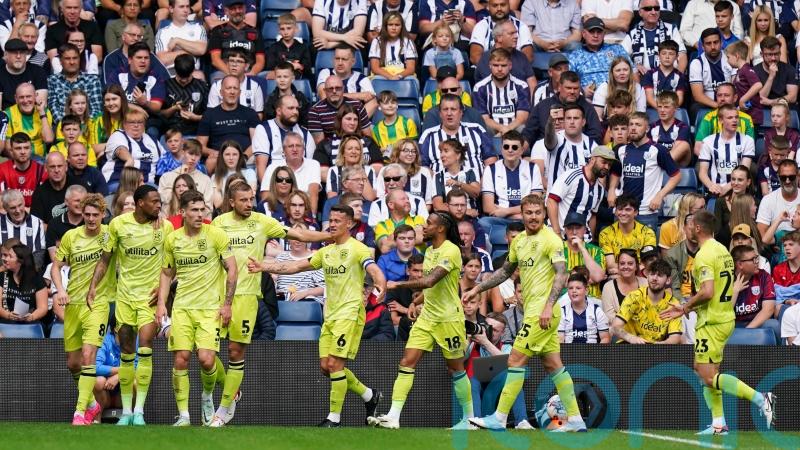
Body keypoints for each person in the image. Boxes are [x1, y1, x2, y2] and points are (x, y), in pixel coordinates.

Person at [250, 204, 386, 427]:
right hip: (330, 314)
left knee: (335, 364)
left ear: (349, 224)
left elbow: (373, 269)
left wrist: (380, 284)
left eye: (337, 221)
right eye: (330, 220)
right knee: (326, 366)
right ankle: (369, 395)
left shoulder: (358, 249)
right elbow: (296, 267)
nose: (331, 224)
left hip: (349, 313)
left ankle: (334, 418)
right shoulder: (325, 252)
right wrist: (263, 266)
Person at [461, 194, 587, 432]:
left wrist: (549, 305)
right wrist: (477, 287)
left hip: (542, 313)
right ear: (522, 213)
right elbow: (504, 272)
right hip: (535, 312)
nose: (533, 217)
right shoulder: (519, 242)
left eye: (538, 212)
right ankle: (576, 420)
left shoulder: (551, 239)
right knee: (554, 366)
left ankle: (499, 418)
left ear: (544, 213)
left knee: (515, 360)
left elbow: (562, 273)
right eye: (528, 212)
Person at [660, 210, 775, 435]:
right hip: (722, 317)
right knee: (702, 370)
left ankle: (762, 399)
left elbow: (707, 291)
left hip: (712, 321)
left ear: (698, 229)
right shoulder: (722, 250)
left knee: (708, 375)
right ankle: (718, 423)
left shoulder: (704, 255)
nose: (687, 229)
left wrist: (684, 307)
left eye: (690, 225)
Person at [368, 212, 475, 430]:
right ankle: (393, 416)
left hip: (448, 319)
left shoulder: (451, 251)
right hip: (428, 317)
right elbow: (433, 287)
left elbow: (430, 280)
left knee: (456, 368)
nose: (423, 227)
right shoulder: (430, 251)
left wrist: (397, 285)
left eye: (429, 224)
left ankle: (468, 419)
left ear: (441, 228)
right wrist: (416, 302)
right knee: (407, 362)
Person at [87, 185, 175, 426]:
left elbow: (173, 262)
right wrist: (93, 286)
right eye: (154, 202)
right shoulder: (118, 225)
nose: (159, 206)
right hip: (124, 297)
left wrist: (163, 290)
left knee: (145, 347)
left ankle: (139, 412)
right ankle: (126, 412)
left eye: (160, 202)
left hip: (148, 300)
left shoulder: (165, 227)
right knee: (126, 354)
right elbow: (105, 258)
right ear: (139, 203)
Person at [156, 190, 236, 426]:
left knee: (206, 359)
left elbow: (232, 268)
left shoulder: (216, 235)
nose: (200, 214)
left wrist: (227, 304)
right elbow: (167, 272)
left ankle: (207, 396)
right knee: (181, 359)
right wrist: (162, 302)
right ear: (183, 212)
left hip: (210, 308)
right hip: (182, 307)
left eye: (203, 210)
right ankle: (183, 416)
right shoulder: (173, 239)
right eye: (194, 210)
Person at [51, 194, 113, 425]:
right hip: (73, 304)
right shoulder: (71, 236)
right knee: (73, 363)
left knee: (89, 356)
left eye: (95, 215)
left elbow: (136, 225)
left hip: (98, 303)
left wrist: (156, 220)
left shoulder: (110, 234)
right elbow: (56, 267)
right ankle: (91, 404)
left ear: (103, 215)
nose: (90, 219)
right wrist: (60, 290)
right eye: (86, 215)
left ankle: (79, 413)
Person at [608, 112, 680, 231]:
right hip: (622, 210)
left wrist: (660, 196)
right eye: (631, 124)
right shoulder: (621, 150)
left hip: (646, 211)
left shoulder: (657, 150)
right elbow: (616, 173)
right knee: (619, 248)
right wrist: (611, 190)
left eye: (638, 125)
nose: (633, 128)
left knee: (646, 249)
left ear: (647, 128)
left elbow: (676, 176)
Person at [480, 131, 543, 231]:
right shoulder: (491, 169)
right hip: (502, 218)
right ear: (501, 149)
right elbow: (488, 207)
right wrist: (514, 216)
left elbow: (536, 203)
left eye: (514, 147)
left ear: (522, 150)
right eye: (506, 147)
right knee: (483, 222)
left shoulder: (532, 168)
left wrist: (506, 211)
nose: (510, 150)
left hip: (526, 218)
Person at [418, 94, 497, 175]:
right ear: (440, 113)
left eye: (453, 109)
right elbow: (422, 166)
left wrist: (482, 184)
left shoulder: (477, 129)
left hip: (477, 185)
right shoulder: (428, 135)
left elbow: (490, 159)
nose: (449, 113)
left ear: (461, 112)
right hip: (440, 186)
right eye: (445, 109)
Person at [610, 258, 683, 344]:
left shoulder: (672, 304)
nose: (654, 278)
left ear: (668, 280)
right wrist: (631, 338)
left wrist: (661, 345)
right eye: (652, 274)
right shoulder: (634, 297)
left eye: (659, 275)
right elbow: (615, 327)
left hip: (657, 349)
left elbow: (675, 338)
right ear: (647, 276)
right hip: (629, 345)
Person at [546, 145, 614, 237]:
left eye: (609, 165)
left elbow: (592, 216)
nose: (606, 167)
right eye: (604, 162)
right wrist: (557, 232)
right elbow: (551, 201)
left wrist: (591, 240)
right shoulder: (572, 176)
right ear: (592, 159)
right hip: (560, 234)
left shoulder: (600, 189)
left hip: (582, 239)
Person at [196, 75, 259, 174]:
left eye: (235, 88)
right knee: (211, 161)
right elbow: (200, 146)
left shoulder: (250, 113)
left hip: (245, 156)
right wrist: (214, 153)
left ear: (240, 93)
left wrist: (244, 156)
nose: (232, 92)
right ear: (221, 92)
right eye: (228, 88)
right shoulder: (209, 115)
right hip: (220, 157)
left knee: (259, 157)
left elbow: (256, 142)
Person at [523, 71, 604, 147]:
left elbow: (595, 135)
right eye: (568, 88)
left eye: (576, 88)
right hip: (545, 150)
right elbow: (528, 134)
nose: (572, 92)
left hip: (578, 151)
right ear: (559, 87)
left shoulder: (588, 108)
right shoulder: (543, 106)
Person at [697, 104, 755, 197]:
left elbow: (744, 170)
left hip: (740, 193)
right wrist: (711, 186)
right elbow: (702, 172)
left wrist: (726, 188)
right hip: (716, 191)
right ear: (720, 120)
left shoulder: (747, 141)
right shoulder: (708, 141)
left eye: (736, 117)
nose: (734, 120)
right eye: (730, 117)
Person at [253, 96, 315, 182]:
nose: (295, 112)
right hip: (273, 184)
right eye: (291, 108)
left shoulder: (305, 134)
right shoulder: (263, 129)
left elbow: (310, 167)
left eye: (297, 108)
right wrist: (267, 193)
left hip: (299, 185)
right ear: (278, 111)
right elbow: (261, 166)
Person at [473, 48, 530, 136]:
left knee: (523, 128)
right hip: (492, 130)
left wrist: (507, 130)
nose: (499, 69)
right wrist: (502, 129)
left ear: (510, 66)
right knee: (483, 128)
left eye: (503, 65)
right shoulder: (480, 88)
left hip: (515, 129)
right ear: (490, 66)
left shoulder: (521, 86)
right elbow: (484, 118)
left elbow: (522, 117)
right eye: (496, 65)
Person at [568, 17, 630, 98]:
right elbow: (568, 81)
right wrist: (581, 91)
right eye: (592, 32)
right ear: (583, 34)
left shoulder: (617, 49)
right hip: (589, 99)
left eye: (599, 32)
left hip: (617, 97)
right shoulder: (575, 55)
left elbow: (633, 72)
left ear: (604, 33)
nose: (595, 35)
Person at [101, 108, 164, 187]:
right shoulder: (117, 135)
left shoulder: (153, 140)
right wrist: (129, 159)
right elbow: (120, 149)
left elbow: (165, 158)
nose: (136, 125)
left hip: (147, 184)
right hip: (118, 182)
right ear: (124, 124)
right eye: (132, 122)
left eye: (140, 122)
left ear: (144, 125)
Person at [730, 244, 780, 343]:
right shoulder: (727, 279)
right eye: (753, 259)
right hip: (733, 323)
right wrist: (735, 292)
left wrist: (747, 331)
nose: (757, 262)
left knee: (774, 324)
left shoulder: (763, 276)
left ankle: (777, 358)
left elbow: (768, 309)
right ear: (740, 264)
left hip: (756, 322)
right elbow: (723, 313)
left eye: (757, 258)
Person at [473, 20, 537, 94]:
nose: (516, 36)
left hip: (522, 101)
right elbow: (490, 87)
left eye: (516, 33)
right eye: (511, 33)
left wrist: (533, 103)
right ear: (499, 38)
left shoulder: (521, 56)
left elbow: (532, 82)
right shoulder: (486, 58)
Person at [622, 0, 686, 73]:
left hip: (668, 76)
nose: (653, 12)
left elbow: (682, 56)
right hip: (642, 77)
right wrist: (634, 66)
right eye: (648, 9)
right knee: (633, 71)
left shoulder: (671, 29)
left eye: (656, 8)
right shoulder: (633, 34)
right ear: (640, 12)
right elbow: (620, 56)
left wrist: (678, 77)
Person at [46, 44, 103, 126]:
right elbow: (54, 109)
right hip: (62, 129)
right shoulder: (52, 80)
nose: (72, 62)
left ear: (79, 59)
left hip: (88, 129)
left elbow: (96, 109)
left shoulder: (92, 80)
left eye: (75, 58)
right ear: (60, 61)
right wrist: (69, 128)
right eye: (67, 59)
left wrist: (82, 127)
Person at [599, 194, 657, 274]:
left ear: (636, 212)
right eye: (620, 209)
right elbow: (611, 265)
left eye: (628, 210)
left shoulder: (647, 233)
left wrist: (625, 271)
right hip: (618, 277)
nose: (623, 213)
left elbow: (649, 263)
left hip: (640, 276)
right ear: (615, 211)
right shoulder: (605, 233)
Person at [693, 83, 756, 154]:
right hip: (712, 160)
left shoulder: (746, 119)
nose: (722, 99)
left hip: (739, 160)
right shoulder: (709, 118)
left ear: (735, 98)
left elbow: (750, 148)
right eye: (719, 95)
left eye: (726, 95)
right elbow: (698, 148)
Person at [308, 75, 372, 143]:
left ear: (343, 89)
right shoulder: (315, 111)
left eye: (338, 88)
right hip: (330, 150)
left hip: (356, 148)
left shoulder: (357, 105)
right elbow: (319, 143)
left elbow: (367, 136)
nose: (334, 91)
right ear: (325, 90)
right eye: (330, 88)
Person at [207, 0, 264, 77]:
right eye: (233, 9)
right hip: (224, 72)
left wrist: (252, 73)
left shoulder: (255, 31)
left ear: (245, 9)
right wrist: (231, 74)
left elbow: (260, 61)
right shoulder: (218, 31)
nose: (237, 11)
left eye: (240, 8)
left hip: (248, 72)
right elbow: (215, 60)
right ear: (226, 11)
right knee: (218, 77)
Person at [317, 45, 377, 117]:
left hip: (355, 122)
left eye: (344, 59)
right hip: (330, 120)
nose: (340, 63)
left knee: (373, 101)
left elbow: (373, 102)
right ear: (333, 60)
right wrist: (358, 95)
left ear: (353, 62)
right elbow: (324, 97)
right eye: (337, 58)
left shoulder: (362, 79)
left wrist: (355, 123)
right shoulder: (326, 73)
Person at [688, 29, 735, 120]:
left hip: (729, 102)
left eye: (716, 42)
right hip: (706, 105)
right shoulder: (697, 63)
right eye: (708, 43)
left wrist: (726, 106)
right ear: (703, 46)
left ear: (721, 43)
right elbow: (698, 95)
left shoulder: (731, 59)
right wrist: (719, 106)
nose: (713, 47)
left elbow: (735, 87)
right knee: (696, 109)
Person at [757, 160, 800, 258]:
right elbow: (762, 234)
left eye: (791, 177)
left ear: (798, 176)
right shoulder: (768, 200)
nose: (787, 181)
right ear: (778, 177)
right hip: (776, 250)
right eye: (783, 178)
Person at [158, 139, 214, 213]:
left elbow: (208, 208)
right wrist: (182, 177)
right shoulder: (166, 177)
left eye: (197, 155)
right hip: (170, 220)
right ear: (183, 152)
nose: (193, 158)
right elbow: (164, 199)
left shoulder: (205, 180)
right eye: (190, 154)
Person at [154, 0, 206, 78]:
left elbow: (201, 49)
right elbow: (162, 60)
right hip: (171, 75)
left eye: (187, 6)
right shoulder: (163, 32)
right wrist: (190, 52)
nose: (186, 10)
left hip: (193, 74)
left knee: (199, 75)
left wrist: (177, 41)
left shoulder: (198, 28)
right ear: (171, 9)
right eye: (181, 7)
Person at [206, 48, 264, 118]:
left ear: (246, 66)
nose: (234, 64)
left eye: (239, 61)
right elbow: (211, 114)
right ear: (227, 64)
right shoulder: (216, 86)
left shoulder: (255, 86)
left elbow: (259, 114)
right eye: (231, 61)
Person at [0, 243, 48, 326]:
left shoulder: (37, 278)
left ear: (20, 262)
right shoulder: (1, 277)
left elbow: (43, 307)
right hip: (6, 322)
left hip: (31, 323)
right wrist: (8, 315)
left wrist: (32, 316)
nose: (6, 259)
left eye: (10, 256)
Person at [160, 54, 208, 136]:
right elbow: (159, 114)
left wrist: (196, 118)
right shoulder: (165, 86)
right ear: (175, 70)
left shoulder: (202, 86)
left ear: (193, 70)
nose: (184, 80)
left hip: (195, 132)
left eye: (187, 77)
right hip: (170, 133)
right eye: (181, 77)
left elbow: (210, 115)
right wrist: (173, 109)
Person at [4, 82, 54, 160]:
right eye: (21, 97)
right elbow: (8, 148)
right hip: (17, 160)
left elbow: (48, 139)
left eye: (28, 96)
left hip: (40, 159)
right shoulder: (8, 114)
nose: (25, 100)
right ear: (16, 99)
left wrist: (41, 112)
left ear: (35, 96)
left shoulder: (45, 112)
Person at [562, 212, 606, 297]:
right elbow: (557, 280)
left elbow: (598, 277)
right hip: (565, 300)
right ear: (565, 230)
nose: (574, 232)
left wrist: (582, 249)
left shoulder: (596, 250)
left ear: (585, 229)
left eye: (578, 228)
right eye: (570, 228)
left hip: (591, 299)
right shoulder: (557, 249)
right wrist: (586, 278)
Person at [0, 189, 46, 269]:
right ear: (5, 208)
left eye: (20, 205)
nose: (17, 210)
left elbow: (39, 254)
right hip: (4, 272)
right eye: (12, 208)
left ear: (24, 202)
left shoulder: (36, 222)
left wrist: (24, 273)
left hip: (29, 273)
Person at [558, 273, 610, 343]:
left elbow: (605, 338)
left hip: (592, 353)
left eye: (578, 288)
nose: (574, 291)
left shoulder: (596, 311)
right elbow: (560, 340)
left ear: (586, 290)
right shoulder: (562, 311)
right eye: (570, 288)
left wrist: (597, 353)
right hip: (569, 353)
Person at [0, 133, 47, 207]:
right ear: (11, 150)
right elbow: (1, 206)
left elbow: (45, 204)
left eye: (26, 148)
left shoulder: (41, 171)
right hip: (8, 215)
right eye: (18, 148)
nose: (23, 152)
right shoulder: (2, 170)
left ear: (31, 149)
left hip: (35, 215)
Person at [368, 11, 417, 81]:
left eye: (397, 25)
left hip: (402, 73)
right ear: (385, 26)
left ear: (402, 27)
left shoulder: (408, 42)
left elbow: (411, 68)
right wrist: (390, 76)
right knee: (376, 79)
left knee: (411, 79)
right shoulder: (377, 41)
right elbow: (375, 68)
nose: (394, 28)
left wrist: (399, 76)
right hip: (383, 74)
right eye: (390, 24)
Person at [725, 41, 764, 127]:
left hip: (752, 117)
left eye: (728, 57)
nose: (727, 61)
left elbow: (758, 85)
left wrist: (743, 100)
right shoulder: (740, 71)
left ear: (737, 56)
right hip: (745, 114)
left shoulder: (746, 70)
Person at [0, 38, 46, 110]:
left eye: (22, 52)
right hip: (7, 118)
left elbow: (41, 105)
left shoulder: (37, 72)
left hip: (34, 118)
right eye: (14, 53)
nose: (18, 56)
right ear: (6, 55)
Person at [374, 190, 425, 254]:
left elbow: (420, 238)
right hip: (393, 263)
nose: (407, 201)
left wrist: (392, 241)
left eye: (408, 199)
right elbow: (384, 248)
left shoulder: (417, 219)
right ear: (391, 205)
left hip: (417, 262)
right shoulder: (382, 225)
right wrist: (411, 237)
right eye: (403, 199)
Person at [648, 90, 691, 166]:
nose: (662, 110)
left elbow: (678, 150)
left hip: (677, 164)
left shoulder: (683, 127)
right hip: (655, 160)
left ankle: (661, 165)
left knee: (684, 145)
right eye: (659, 107)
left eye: (666, 107)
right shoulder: (651, 127)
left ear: (675, 108)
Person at [265, 14, 312, 81]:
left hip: (297, 80)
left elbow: (308, 70)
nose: (286, 32)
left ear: (296, 29)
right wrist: (292, 66)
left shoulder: (303, 48)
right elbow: (270, 69)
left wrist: (300, 66)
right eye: (282, 29)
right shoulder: (273, 48)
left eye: (289, 28)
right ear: (279, 30)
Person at [754, 36, 798, 107]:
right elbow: (759, 99)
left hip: (784, 110)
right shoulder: (754, 71)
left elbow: (793, 97)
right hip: (763, 111)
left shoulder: (789, 70)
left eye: (776, 54)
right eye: (770, 54)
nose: (773, 58)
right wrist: (771, 77)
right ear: (762, 54)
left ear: (780, 53)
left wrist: (771, 102)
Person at [642, 41, 687, 109]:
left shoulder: (680, 76)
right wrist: (661, 109)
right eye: (663, 53)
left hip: (672, 110)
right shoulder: (650, 74)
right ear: (658, 55)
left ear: (677, 56)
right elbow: (649, 98)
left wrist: (669, 110)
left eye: (671, 54)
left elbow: (679, 99)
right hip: (654, 108)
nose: (667, 57)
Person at [372, 91, 418, 155]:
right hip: (386, 163)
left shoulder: (408, 123)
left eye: (393, 103)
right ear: (379, 106)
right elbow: (377, 151)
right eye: (386, 103)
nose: (390, 105)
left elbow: (415, 147)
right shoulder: (376, 130)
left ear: (397, 105)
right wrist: (380, 151)